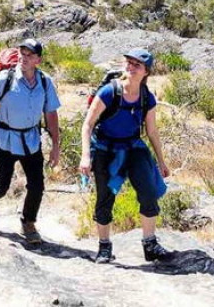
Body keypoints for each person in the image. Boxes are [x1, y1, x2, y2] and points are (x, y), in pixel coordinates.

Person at [79, 47, 172, 264]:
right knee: (105, 197)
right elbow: (88, 124)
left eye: (136, 65)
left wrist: (161, 161)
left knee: (148, 192)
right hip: (105, 149)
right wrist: (86, 155)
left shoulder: (146, 98)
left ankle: (150, 244)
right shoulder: (109, 92)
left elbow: (152, 131)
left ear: (146, 72)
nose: (130, 67)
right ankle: (104, 247)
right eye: (128, 62)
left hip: (133, 147)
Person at [0, 38, 61, 246]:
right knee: (1, 186)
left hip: (31, 141)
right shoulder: (5, 78)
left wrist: (56, 146)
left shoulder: (44, 82)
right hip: (5, 141)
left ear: (38, 60)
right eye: (22, 52)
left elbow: (51, 114)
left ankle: (28, 222)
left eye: (30, 54)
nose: (24, 57)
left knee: (37, 185)